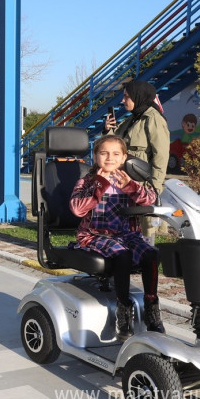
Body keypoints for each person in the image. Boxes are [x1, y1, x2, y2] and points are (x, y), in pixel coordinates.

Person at [69, 135, 164, 341]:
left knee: (151, 254)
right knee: (123, 254)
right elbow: (77, 209)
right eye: (104, 153)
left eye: (115, 154)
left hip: (127, 234)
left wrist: (132, 186)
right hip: (95, 235)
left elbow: (151, 200)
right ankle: (123, 308)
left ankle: (151, 306)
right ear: (95, 156)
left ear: (124, 158)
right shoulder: (87, 182)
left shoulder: (130, 180)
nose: (109, 158)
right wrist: (100, 185)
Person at [104, 80, 170, 243]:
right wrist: (107, 130)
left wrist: (154, 188)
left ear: (137, 96)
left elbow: (160, 156)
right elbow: (113, 146)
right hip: (124, 185)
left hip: (143, 186)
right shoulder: (132, 120)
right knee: (127, 231)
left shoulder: (153, 119)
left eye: (126, 96)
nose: (122, 100)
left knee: (147, 233)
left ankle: (148, 265)